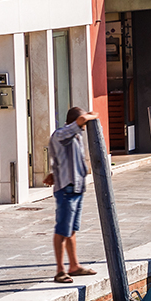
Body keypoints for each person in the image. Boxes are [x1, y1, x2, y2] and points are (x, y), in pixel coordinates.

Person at [46, 106, 99, 284]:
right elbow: (80, 122)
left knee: (71, 230)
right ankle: (60, 270)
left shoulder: (75, 137)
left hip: (76, 187)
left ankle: (74, 265)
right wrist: (92, 115)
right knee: (62, 230)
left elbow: (64, 160)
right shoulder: (61, 134)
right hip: (67, 189)